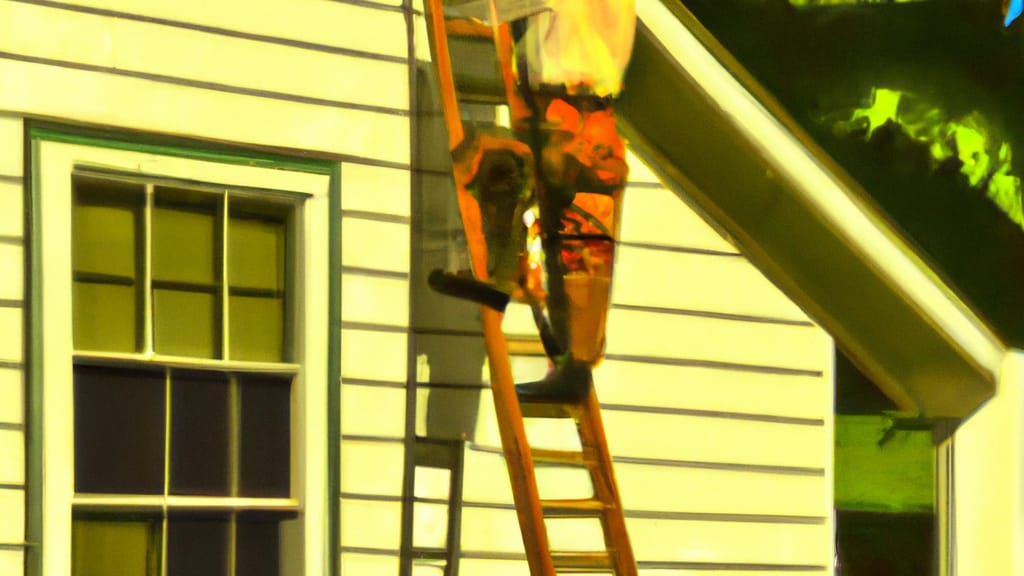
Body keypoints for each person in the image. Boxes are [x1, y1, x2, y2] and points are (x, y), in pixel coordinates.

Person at [434, 0, 637, 400]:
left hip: (563, 108)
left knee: (498, 170)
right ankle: (575, 364)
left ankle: (498, 278)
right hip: (594, 116)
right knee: (583, 243)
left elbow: (492, 4)